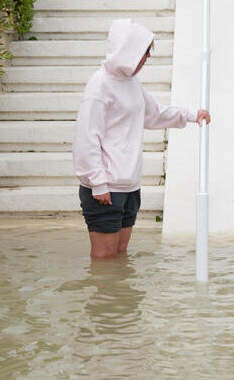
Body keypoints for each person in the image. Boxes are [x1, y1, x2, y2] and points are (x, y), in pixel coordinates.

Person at [73, 19, 210, 259]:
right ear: (129, 50)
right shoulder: (99, 85)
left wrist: (191, 115)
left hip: (129, 186)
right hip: (106, 189)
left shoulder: (131, 83)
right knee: (105, 260)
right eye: (145, 52)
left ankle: (123, 298)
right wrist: (98, 182)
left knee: (120, 255)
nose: (147, 57)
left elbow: (154, 114)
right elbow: (87, 136)